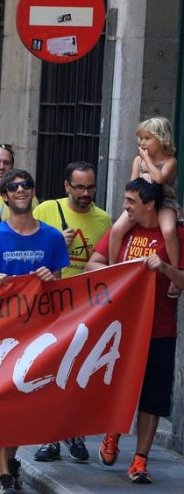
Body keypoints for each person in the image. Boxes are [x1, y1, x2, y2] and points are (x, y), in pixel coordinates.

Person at [0, 169, 69, 494]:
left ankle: (8, 462)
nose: (21, 190)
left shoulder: (53, 238)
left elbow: (62, 285)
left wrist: (51, 278)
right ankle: (3, 475)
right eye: (14, 187)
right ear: (6, 195)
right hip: (3, 334)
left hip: (40, 335)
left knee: (23, 406)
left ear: (33, 191)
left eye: (27, 185)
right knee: (3, 403)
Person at [87, 178, 184, 484]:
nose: (125, 206)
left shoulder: (176, 235)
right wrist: (121, 273)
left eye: (131, 201)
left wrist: (166, 269)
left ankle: (140, 459)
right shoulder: (125, 231)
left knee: (153, 397)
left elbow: (181, 281)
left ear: (149, 204)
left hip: (160, 329)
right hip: (121, 329)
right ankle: (112, 433)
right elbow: (92, 265)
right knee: (119, 387)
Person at [31, 161, 112, 462]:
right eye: (79, 187)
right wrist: (55, 246)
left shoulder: (104, 219)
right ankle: (49, 439)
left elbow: (110, 264)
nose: (85, 193)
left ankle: (74, 433)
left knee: (78, 373)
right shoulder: (45, 211)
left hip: (85, 310)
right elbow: (32, 256)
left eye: (90, 187)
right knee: (50, 373)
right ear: (66, 186)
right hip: (50, 307)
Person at [107, 117, 181, 297]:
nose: (142, 143)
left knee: (169, 231)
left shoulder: (170, 161)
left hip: (165, 202)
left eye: (147, 138)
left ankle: (175, 273)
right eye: (141, 138)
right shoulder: (137, 161)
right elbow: (133, 184)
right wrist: (141, 181)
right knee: (116, 229)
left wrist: (146, 159)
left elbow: (159, 179)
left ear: (162, 139)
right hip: (141, 204)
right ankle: (111, 268)